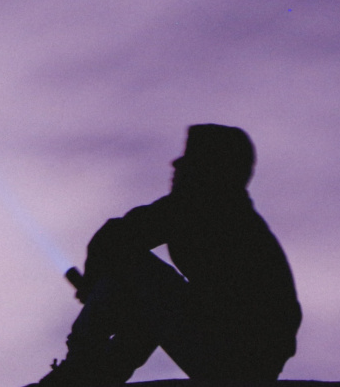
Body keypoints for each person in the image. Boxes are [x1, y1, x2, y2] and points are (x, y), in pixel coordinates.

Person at [22, 124, 302, 386]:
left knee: (133, 269)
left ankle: (82, 368)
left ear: (210, 168)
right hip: (244, 356)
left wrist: (95, 287)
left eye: (189, 159)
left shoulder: (204, 206)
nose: (175, 165)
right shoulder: (227, 212)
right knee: (147, 289)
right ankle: (99, 372)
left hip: (238, 360)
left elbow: (115, 237)